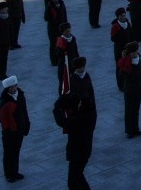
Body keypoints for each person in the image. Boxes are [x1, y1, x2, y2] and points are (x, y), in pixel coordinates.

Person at [57, 57, 96, 190]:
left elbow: (62, 122)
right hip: (84, 148)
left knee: (74, 178)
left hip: (77, 150)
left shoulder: (78, 120)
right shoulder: (71, 80)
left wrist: (57, 109)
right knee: (77, 176)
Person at [0, 76, 30, 183]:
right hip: (9, 132)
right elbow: (1, 118)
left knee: (16, 151)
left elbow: (24, 110)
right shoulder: (4, 101)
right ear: (7, 89)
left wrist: (26, 124)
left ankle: (15, 172)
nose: (13, 88)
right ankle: (8, 174)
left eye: (14, 86)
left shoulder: (20, 96)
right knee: (8, 153)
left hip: (20, 129)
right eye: (11, 87)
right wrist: (10, 129)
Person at [116, 41, 141, 138]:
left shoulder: (139, 60)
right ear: (129, 53)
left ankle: (136, 128)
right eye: (133, 52)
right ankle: (129, 130)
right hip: (130, 90)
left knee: (136, 109)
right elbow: (121, 76)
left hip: (138, 88)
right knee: (129, 110)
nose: (135, 53)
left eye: (136, 51)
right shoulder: (125, 62)